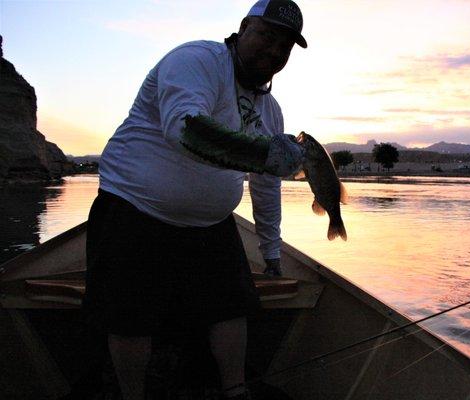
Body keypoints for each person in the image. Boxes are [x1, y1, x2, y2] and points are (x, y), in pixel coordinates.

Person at [82, 1, 307, 399]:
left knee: (232, 307)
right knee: (130, 318)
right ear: (243, 28)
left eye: (285, 46)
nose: (274, 51)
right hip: (133, 208)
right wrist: (261, 154)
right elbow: (184, 128)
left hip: (210, 224)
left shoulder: (270, 111)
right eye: (267, 36)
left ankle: (235, 391)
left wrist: (271, 250)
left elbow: (266, 184)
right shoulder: (197, 60)